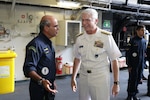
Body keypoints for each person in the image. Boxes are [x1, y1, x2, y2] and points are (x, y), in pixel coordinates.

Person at [71, 8, 122, 100]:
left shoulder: (105, 37)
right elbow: (77, 58)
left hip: (100, 77)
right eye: (83, 20)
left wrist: (116, 83)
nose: (84, 23)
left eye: (87, 20)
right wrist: (73, 77)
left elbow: (114, 60)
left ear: (96, 21)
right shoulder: (80, 38)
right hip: (83, 76)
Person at [23, 15, 59, 100]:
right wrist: (41, 81)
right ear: (46, 28)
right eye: (55, 26)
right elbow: (29, 68)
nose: (58, 29)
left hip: (49, 86)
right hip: (39, 88)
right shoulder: (36, 44)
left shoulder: (48, 43)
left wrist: (52, 81)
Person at [126, 25, 147, 100]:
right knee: (132, 79)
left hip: (140, 64)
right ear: (137, 31)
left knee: (138, 79)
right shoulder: (132, 40)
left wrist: (144, 64)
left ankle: (134, 94)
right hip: (133, 64)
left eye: (144, 30)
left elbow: (144, 53)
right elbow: (128, 54)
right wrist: (129, 65)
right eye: (141, 30)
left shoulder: (144, 41)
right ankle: (129, 95)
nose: (143, 32)